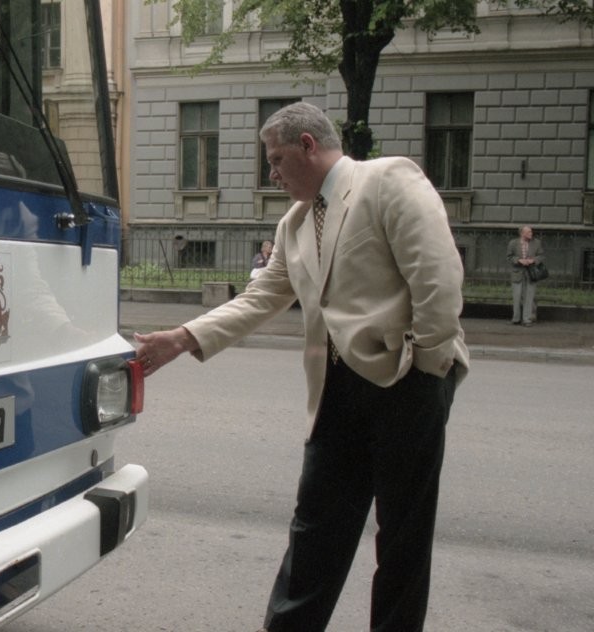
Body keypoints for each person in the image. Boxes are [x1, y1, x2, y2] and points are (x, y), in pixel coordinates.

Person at [133, 102, 469, 632]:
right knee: (315, 530)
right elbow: (259, 298)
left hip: (406, 382)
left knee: (402, 539)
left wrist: (425, 368)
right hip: (336, 394)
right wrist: (182, 338)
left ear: (308, 145)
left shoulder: (387, 180)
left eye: (276, 159)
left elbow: (438, 278)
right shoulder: (294, 223)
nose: (272, 173)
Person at [507, 225, 544, 327]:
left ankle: (527, 319)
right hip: (517, 273)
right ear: (522, 233)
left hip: (531, 273)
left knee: (529, 297)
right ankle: (516, 318)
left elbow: (541, 256)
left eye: (531, 232)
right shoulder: (513, 243)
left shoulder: (536, 243)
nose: (531, 234)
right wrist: (519, 260)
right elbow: (509, 256)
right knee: (517, 296)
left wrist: (533, 260)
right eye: (528, 232)